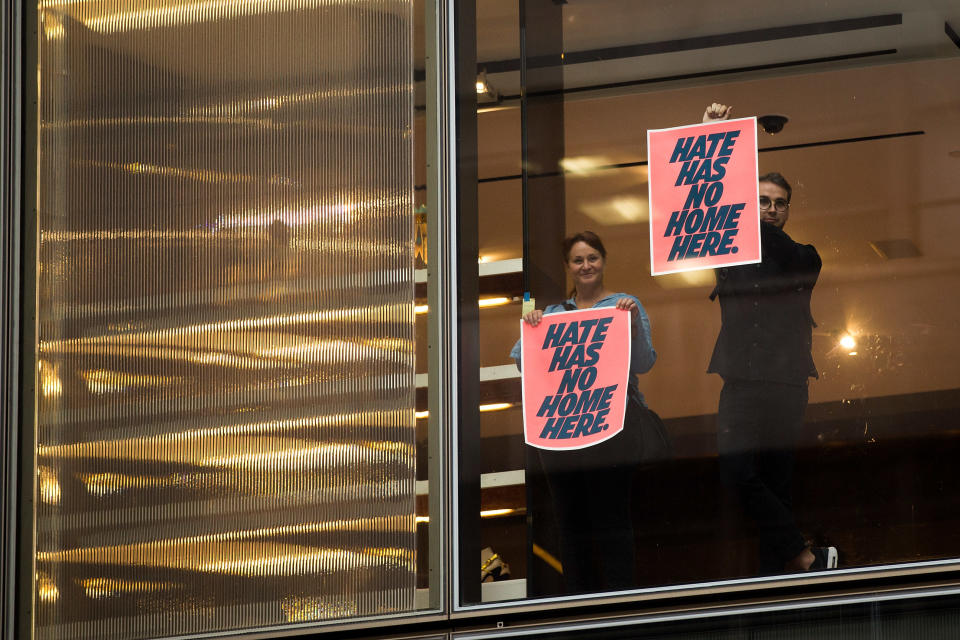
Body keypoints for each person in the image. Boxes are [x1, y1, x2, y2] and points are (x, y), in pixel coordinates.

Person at [703, 103, 837, 574]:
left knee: (778, 484)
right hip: (740, 380)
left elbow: (771, 244)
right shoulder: (728, 252)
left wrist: (741, 201)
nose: (771, 210)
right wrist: (711, 138)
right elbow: (700, 205)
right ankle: (803, 556)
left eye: (779, 203)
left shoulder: (804, 256)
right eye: (761, 201)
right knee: (736, 472)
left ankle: (777, 586)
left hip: (785, 383)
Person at [510, 230, 657, 593]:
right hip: (563, 433)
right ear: (568, 267)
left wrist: (634, 324)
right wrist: (535, 328)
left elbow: (644, 363)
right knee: (569, 522)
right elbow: (521, 362)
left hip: (611, 428)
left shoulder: (626, 304)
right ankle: (579, 602)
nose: (586, 265)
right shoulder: (554, 314)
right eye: (578, 260)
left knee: (612, 517)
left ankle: (621, 599)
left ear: (603, 261)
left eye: (592, 257)